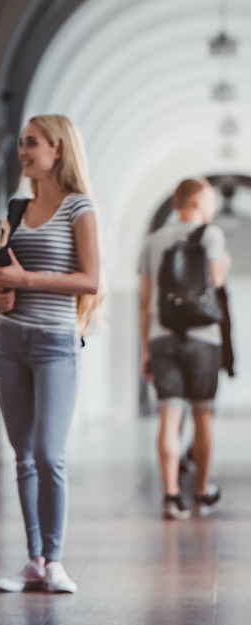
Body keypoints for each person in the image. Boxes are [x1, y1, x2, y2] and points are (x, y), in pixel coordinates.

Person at [0, 115, 101, 594]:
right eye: (21, 143)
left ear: (58, 149)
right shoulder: (15, 207)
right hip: (10, 341)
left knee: (49, 454)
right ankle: (33, 560)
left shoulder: (80, 208)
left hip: (56, 343)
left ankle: (55, 561)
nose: (23, 151)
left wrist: (27, 281)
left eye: (32, 143)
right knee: (23, 457)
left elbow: (92, 281)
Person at [138, 178, 231, 520]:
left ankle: (171, 497)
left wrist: (145, 349)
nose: (212, 208)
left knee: (168, 417)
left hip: (163, 336)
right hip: (203, 337)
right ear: (195, 202)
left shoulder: (153, 240)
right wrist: (226, 262)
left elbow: (144, 300)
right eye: (208, 201)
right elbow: (216, 280)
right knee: (202, 416)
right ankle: (202, 493)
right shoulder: (211, 234)